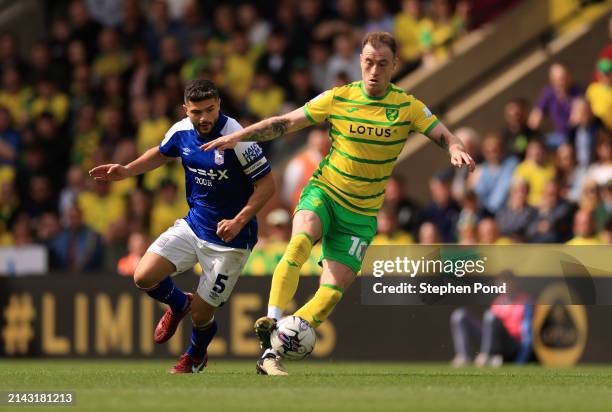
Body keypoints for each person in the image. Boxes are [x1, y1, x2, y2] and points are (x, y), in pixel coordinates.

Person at [202, 32, 475, 375]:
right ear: (360, 62)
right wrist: (238, 135)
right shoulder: (338, 98)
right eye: (368, 63)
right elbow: (286, 122)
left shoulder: (408, 107)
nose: (374, 71)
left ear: (395, 66)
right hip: (325, 193)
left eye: (382, 64)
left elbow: (445, 135)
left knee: (331, 294)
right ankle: (271, 320)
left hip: (361, 216)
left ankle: (275, 347)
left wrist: (453, 147)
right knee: (299, 242)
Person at [89, 80, 275, 373]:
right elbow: (161, 153)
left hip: (231, 240)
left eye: (210, 110)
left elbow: (267, 185)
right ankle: (178, 303)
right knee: (143, 276)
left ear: (219, 106)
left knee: (202, 315)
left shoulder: (238, 137)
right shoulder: (181, 131)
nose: (204, 118)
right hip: (194, 225)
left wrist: (239, 220)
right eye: (197, 112)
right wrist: (126, 170)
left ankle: (195, 355)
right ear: (185, 109)